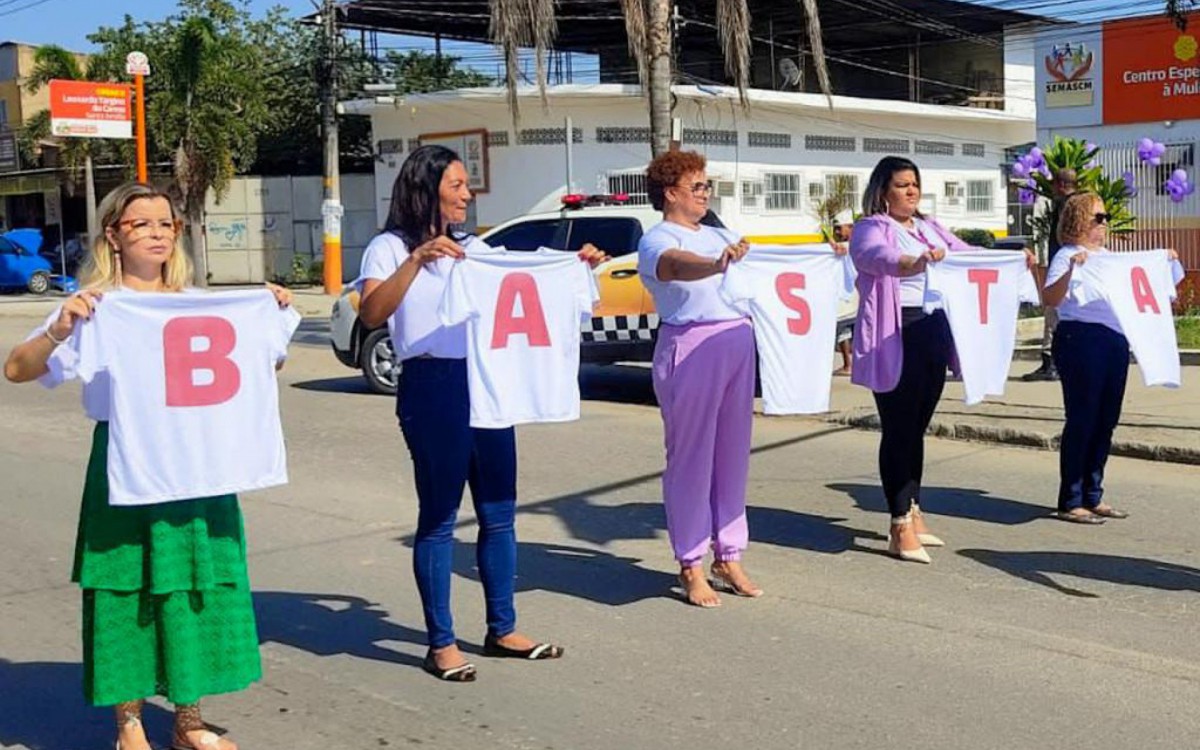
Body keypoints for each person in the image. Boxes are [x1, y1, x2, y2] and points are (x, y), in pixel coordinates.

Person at [3, 182, 293, 750]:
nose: (158, 233)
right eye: (142, 224)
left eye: (167, 223)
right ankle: (129, 723)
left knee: (191, 589)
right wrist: (61, 327)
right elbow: (16, 368)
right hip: (126, 464)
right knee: (125, 590)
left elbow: (257, 374)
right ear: (114, 234)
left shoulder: (198, 301)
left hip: (198, 466)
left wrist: (272, 311)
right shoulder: (96, 306)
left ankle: (188, 720)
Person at [357, 145, 606, 681]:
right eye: (457, 185)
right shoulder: (388, 247)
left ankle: (502, 627)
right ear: (426, 189)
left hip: (489, 381)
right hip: (432, 385)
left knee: (498, 513)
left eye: (467, 185)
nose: (468, 194)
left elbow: (524, 279)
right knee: (441, 517)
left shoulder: (477, 248)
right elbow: (373, 313)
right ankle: (440, 643)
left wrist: (573, 265)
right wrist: (416, 261)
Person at [637, 149, 760, 607]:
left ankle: (728, 553)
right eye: (697, 187)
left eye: (708, 186)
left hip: (735, 343)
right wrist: (715, 264)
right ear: (671, 193)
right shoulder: (657, 239)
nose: (706, 193)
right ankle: (690, 561)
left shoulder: (719, 233)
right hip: (690, 347)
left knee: (732, 456)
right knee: (691, 459)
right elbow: (673, 265)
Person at [848, 156, 970, 565]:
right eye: (902, 185)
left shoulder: (929, 226)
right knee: (899, 427)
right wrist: (911, 262)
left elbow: (966, 256)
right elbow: (873, 258)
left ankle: (913, 508)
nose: (911, 191)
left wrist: (1010, 260)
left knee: (918, 425)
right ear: (883, 190)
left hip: (931, 330)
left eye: (915, 183)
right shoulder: (871, 228)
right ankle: (899, 521)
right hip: (894, 331)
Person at [1041, 192, 1177, 524]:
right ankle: (1071, 498)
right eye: (1097, 217)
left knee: (1106, 420)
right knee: (1083, 418)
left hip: (1114, 340)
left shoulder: (1109, 258)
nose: (1104, 224)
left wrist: (1164, 261)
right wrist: (1072, 270)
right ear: (1078, 220)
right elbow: (1050, 298)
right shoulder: (1069, 255)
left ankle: (1093, 493)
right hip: (1081, 338)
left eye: (1104, 218)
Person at [1023, 168, 1077, 382]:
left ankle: (1050, 363)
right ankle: (1056, 361)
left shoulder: (1066, 206)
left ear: (1062, 185)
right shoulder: (1080, 204)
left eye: (1054, 184)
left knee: (1052, 313)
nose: (1052, 189)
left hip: (1061, 265)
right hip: (1072, 266)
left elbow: (1061, 236)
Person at [829, 210, 856, 375]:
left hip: (856, 292)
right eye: (835, 229)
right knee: (843, 329)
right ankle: (848, 364)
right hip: (844, 293)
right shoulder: (841, 247)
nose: (837, 232)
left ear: (850, 227)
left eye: (840, 228)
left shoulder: (855, 243)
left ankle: (851, 364)